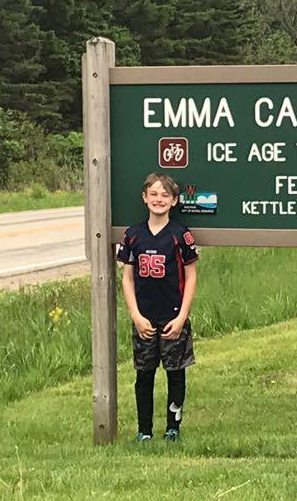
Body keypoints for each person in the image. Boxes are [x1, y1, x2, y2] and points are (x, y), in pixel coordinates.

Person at [117, 172, 199, 442]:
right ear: (144, 198)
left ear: (174, 200)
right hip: (145, 318)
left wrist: (182, 316)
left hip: (174, 316)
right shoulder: (133, 235)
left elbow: (191, 275)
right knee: (144, 375)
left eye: (165, 195)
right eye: (153, 194)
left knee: (175, 374)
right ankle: (144, 431)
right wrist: (135, 315)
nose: (159, 199)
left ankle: (173, 427)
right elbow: (127, 278)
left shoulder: (180, 235)